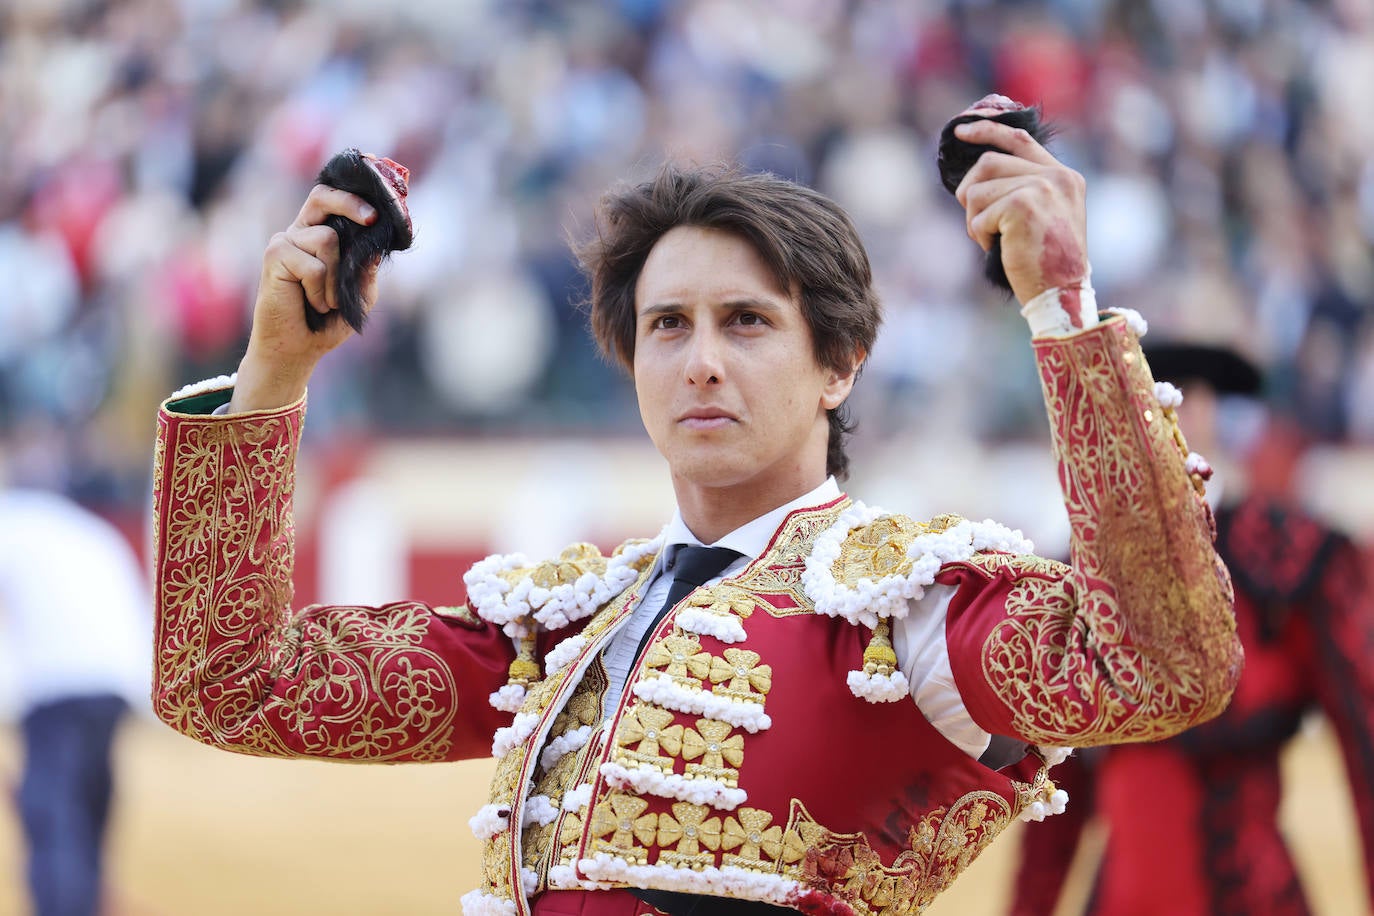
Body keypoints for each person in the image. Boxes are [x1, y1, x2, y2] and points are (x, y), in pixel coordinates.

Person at [148, 99, 1242, 915]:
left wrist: (1063, 312)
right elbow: (230, 683)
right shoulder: (572, 630)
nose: (702, 362)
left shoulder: (906, 613)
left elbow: (1156, 665)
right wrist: (272, 375)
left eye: (748, 323)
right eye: (668, 326)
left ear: (840, 365)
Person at [1007, 343, 1374, 916]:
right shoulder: (1079, 578)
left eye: (1176, 398)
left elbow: (1366, 749)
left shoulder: (1295, 557)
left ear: (1204, 412)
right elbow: (1056, 800)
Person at [0, 473, 151, 916]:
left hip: (58, 681)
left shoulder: (9, 523)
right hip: (117, 679)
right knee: (85, 797)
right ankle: (85, 891)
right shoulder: (85, 529)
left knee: (52, 812)